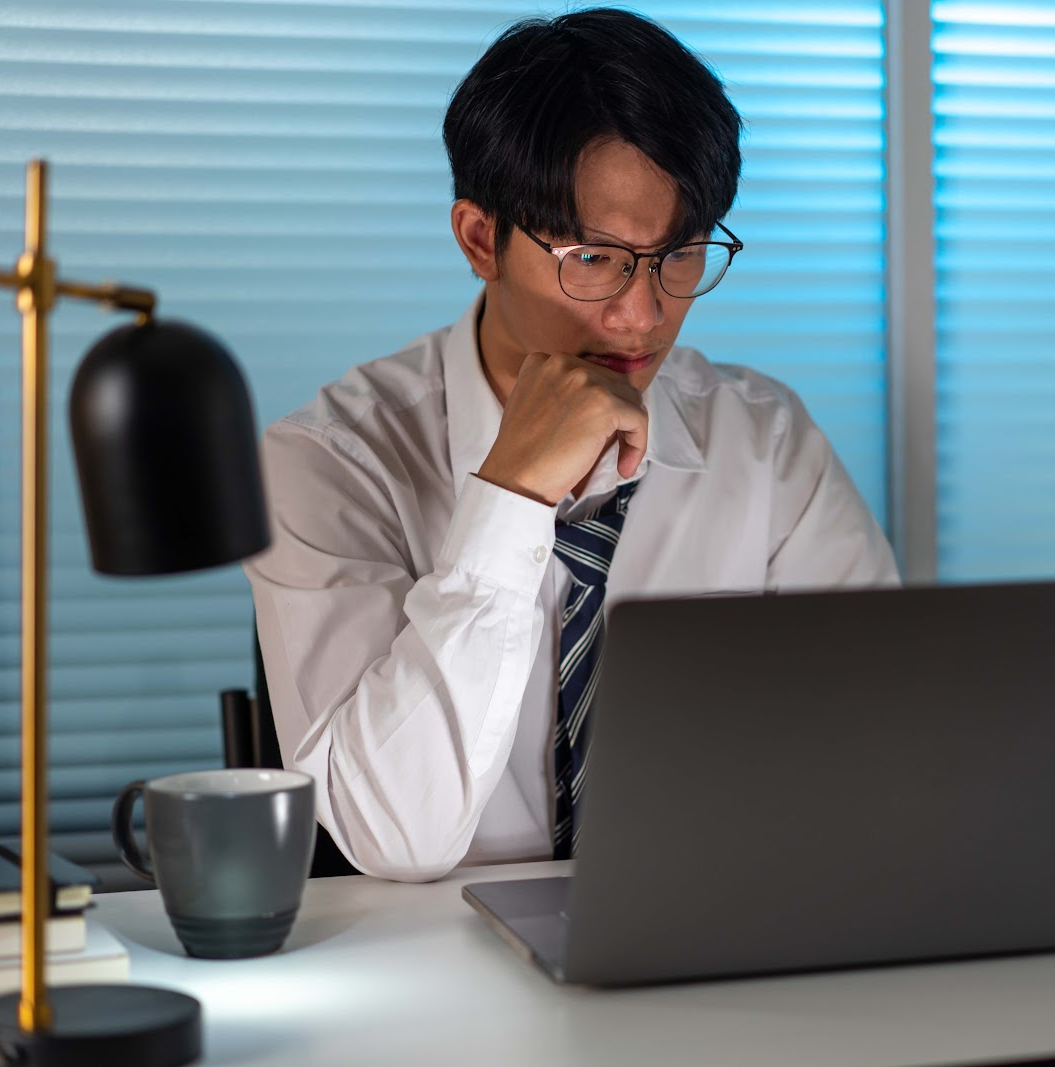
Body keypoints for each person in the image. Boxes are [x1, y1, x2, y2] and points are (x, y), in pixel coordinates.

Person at [244, 8, 898, 883]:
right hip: (436, 977)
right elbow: (392, 836)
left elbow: (887, 755)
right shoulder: (326, 463)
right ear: (482, 239)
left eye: (681, 254)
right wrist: (508, 499)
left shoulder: (766, 443)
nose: (643, 315)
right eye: (593, 258)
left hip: (713, 944)